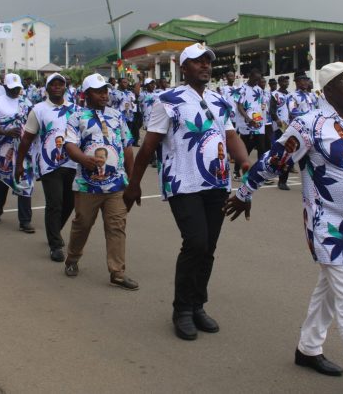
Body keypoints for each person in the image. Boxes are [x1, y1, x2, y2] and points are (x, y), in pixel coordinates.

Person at [224, 62, 343, 394]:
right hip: (327, 225)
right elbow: (274, 160)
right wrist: (244, 192)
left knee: (329, 288)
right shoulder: (309, 125)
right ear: (328, 90)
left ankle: (308, 348)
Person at [123, 43, 250, 341]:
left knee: (208, 247)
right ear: (183, 68)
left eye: (208, 61)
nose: (205, 65)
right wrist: (134, 184)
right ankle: (181, 310)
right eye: (197, 61)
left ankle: (197, 305)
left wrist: (245, 161)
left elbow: (231, 136)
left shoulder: (219, 100)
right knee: (195, 243)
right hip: (182, 183)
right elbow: (149, 146)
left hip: (217, 183)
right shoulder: (167, 101)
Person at [62, 73, 138, 290]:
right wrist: (83, 159)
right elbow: (70, 144)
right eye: (98, 91)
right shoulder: (77, 117)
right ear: (87, 94)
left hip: (116, 184)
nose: (104, 95)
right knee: (83, 224)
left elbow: (127, 147)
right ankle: (72, 258)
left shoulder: (117, 116)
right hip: (88, 185)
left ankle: (117, 272)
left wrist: (133, 181)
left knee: (116, 226)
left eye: (105, 90)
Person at [15, 73, 78, 261]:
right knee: (55, 203)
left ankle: (54, 230)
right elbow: (26, 139)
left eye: (61, 84)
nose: (57, 87)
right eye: (53, 84)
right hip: (49, 164)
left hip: (73, 163)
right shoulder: (38, 110)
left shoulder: (75, 109)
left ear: (65, 87)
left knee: (69, 203)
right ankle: (55, 245)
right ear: (47, 88)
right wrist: (19, 164)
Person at [0, 73, 34, 231]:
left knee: (25, 182)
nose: (16, 91)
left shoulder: (26, 102)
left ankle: (25, 221)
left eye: (18, 88)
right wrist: (6, 132)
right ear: (5, 87)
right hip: (3, 150)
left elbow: (34, 123)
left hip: (23, 149)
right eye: (12, 88)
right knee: (1, 183)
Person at [234, 68, 266, 181]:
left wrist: (260, 117)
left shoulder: (259, 90)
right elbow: (239, 106)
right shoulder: (241, 89)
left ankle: (260, 173)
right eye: (255, 79)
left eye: (258, 80)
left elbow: (261, 104)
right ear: (250, 76)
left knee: (261, 148)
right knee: (245, 149)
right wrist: (248, 119)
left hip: (258, 123)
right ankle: (236, 171)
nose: (257, 82)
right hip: (246, 123)